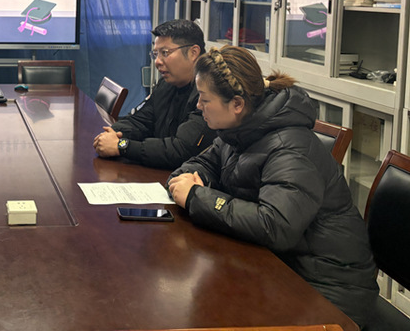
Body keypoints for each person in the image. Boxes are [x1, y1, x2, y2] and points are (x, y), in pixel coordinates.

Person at [167, 46, 378, 328]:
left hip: (328, 289)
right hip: (279, 265)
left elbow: (275, 226)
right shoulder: (238, 130)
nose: (197, 106)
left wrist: (197, 196)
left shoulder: (290, 148)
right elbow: (200, 163)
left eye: (205, 99)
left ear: (237, 103)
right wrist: (192, 180)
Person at [93, 19, 214, 169]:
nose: (157, 61)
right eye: (155, 54)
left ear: (193, 52)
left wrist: (122, 145)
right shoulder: (166, 85)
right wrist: (114, 133)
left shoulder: (209, 94)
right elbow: (139, 121)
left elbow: (181, 150)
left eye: (165, 53)